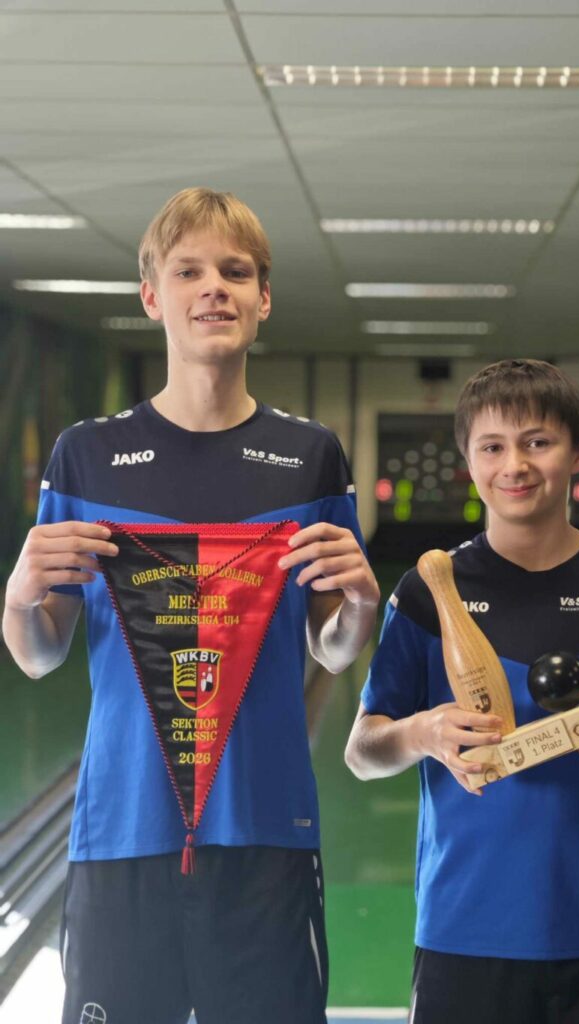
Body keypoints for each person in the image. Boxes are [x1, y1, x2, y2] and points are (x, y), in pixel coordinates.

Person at [2, 187, 380, 1024]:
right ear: (152, 296)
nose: (215, 287)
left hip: (266, 830)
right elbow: (39, 652)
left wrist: (360, 604)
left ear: (263, 299)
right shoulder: (87, 456)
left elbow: (332, 648)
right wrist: (20, 597)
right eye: (189, 271)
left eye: (236, 272)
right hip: (123, 828)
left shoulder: (309, 457)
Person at [345, 358, 579, 1024]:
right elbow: (363, 751)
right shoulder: (430, 593)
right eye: (492, 446)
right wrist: (422, 733)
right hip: (465, 927)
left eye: (537, 442)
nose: (514, 465)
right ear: (468, 460)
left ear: (578, 452)